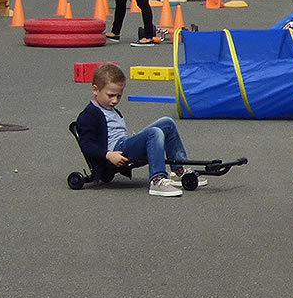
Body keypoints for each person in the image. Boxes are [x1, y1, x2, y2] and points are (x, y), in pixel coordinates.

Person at [73, 62, 205, 199]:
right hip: (116, 151)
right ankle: (157, 179)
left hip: (124, 143)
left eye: (119, 96)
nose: (115, 100)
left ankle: (178, 171)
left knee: (167, 123)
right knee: (154, 133)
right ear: (95, 90)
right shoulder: (89, 114)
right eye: (110, 95)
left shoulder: (110, 110)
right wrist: (108, 155)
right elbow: (86, 145)